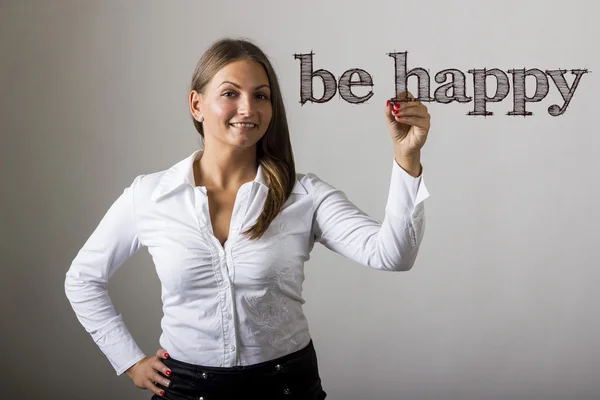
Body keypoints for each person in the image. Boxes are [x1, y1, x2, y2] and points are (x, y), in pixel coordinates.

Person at [64, 37, 431, 400]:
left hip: (286, 387)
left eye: (261, 96)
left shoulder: (304, 195)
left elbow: (392, 255)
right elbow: (82, 279)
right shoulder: (150, 195)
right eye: (230, 93)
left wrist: (407, 158)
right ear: (197, 105)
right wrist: (129, 360)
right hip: (187, 390)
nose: (248, 108)